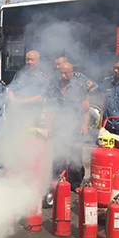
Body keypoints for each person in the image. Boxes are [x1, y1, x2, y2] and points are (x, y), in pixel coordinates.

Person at [49, 61, 91, 191]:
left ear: (71, 72)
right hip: (58, 126)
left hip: (74, 126)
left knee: (75, 156)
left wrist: (84, 124)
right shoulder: (53, 87)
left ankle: (76, 183)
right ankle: (56, 181)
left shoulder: (78, 87)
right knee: (58, 155)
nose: (63, 76)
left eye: (66, 73)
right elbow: (50, 109)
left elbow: (86, 108)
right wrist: (49, 127)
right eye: (61, 73)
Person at [7, 50, 50, 128]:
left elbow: (41, 97)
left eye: (32, 60)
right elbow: (11, 89)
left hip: (34, 115)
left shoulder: (43, 78)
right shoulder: (20, 74)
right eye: (28, 60)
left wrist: (20, 102)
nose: (30, 62)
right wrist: (12, 101)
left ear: (38, 61)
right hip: (18, 115)